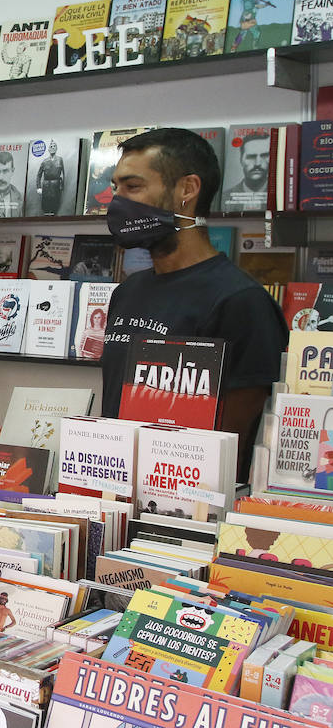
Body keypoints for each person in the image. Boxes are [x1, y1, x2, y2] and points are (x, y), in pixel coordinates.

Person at [100, 128, 287, 482]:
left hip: (188, 512)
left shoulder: (240, 301)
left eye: (133, 186)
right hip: (113, 498)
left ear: (187, 189)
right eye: (116, 188)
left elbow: (233, 442)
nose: (117, 201)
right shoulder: (127, 292)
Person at [222, 132, 271, 210]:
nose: (257, 163)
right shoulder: (225, 198)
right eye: (251, 157)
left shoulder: (281, 197)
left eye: (264, 156)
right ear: (241, 160)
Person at [33, 140, 67, 215]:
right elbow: (39, 175)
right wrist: (38, 187)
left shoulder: (60, 160)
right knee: (46, 204)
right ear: (48, 149)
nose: (52, 148)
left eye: (54, 146)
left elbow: (63, 173)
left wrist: (62, 185)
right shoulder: (45, 161)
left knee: (55, 204)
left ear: (56, 148)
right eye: (51, 146)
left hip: (56, 185)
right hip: (46, 186)